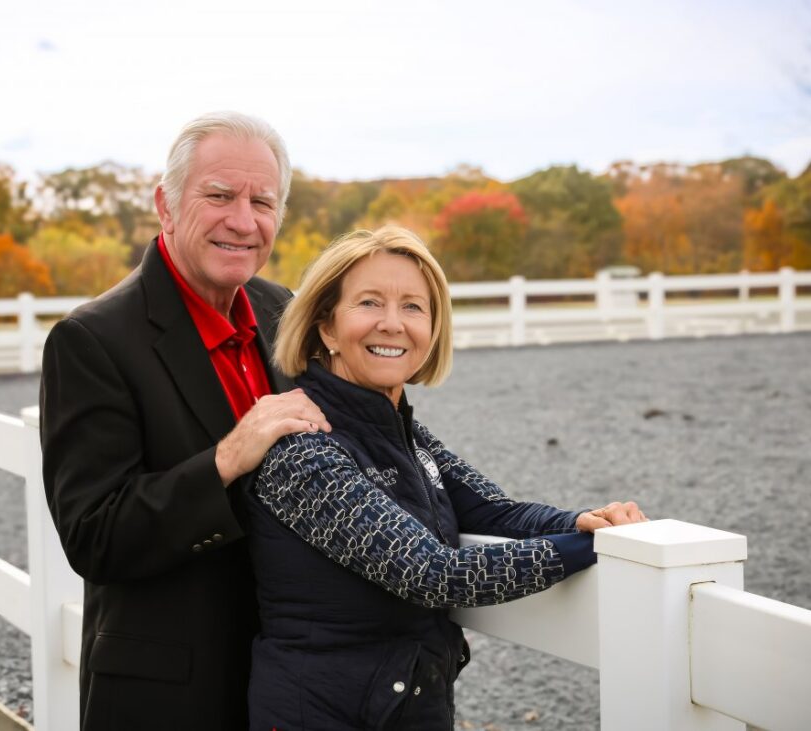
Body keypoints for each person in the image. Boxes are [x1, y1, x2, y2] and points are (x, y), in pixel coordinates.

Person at [247, 225, 646, 730]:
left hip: (401, 704)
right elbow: (431, 574)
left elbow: (495, 511)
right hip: (324, 713)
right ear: (326, 328)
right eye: (370, 302)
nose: (393, 324)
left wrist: (586, 521)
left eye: (414, 306)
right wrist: (593, 549)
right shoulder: (303, 447)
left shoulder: (405, 435)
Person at [39, 112, 330, 730]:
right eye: (219, 196)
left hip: (290, 688)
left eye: (263, 202)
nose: (244, 221)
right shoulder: (92, 340)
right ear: (166, 206)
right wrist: (227, 458)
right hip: (169, 696)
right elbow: (94, 534)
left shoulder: (285, 312)